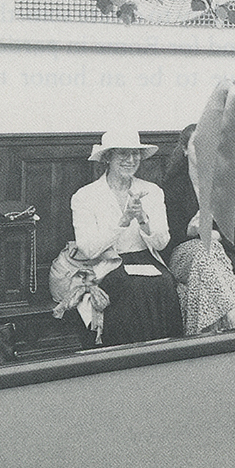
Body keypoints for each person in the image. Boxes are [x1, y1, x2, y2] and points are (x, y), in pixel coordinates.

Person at [70, 130, 183, 346]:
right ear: (108, 157)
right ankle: (127, 356)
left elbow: (162, 243)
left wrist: (142, 219)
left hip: (146, 259)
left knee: (164, 282)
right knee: (130, 286)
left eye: (135, 154)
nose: (130, 160)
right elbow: (88, 249)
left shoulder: (152, 191)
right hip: (106, 263)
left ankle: (164, 354)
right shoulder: (85, 196)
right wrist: (122, 221)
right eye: (123, 154)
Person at [161, 123, 235, 334]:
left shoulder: (228, 187)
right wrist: (190, 232)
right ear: (185, 150)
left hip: (224, 255)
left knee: (208, 249)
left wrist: (214, 234)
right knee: (204, 249)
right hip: (182, 257)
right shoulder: (172, 188)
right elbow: (166, 238)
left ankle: (207, 331)